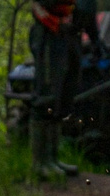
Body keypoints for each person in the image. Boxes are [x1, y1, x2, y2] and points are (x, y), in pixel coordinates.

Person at [26, 0, 94, 180]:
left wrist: (95, 37)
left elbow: (88, 8)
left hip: (70, 33)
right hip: (49, 30)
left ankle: (52, 159)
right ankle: (40, 163)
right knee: (46, 96)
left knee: (63, 97)